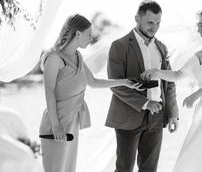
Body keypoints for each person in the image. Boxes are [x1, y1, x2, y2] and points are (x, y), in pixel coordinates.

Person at [39, 14, 140, 172]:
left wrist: (124, 82)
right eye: (88, 34)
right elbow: (49, 93)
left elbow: (93, 82)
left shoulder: (78, 56)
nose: (91, 38)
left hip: (72, 124)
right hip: (55, 125)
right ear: (77, 34)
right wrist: (56, 126)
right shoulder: (54, 59)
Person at [141, 6, 202, 172]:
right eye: (198, 26)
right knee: (194, 154)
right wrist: (157, 72)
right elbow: (178, 74)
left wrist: (199, 92)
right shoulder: (201, 52)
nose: (198, 30)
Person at [106, 0, 179, 172]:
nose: (154, 27)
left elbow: (169, 83)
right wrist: (145, 103)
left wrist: (173, 114)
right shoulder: (119, 46)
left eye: (158, 23)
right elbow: (115, 83)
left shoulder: (161, 47)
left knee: (150, 169)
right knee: (124, 168)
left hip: (156, 116)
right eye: (150, 22)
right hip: (128, 116)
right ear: (137, 18)